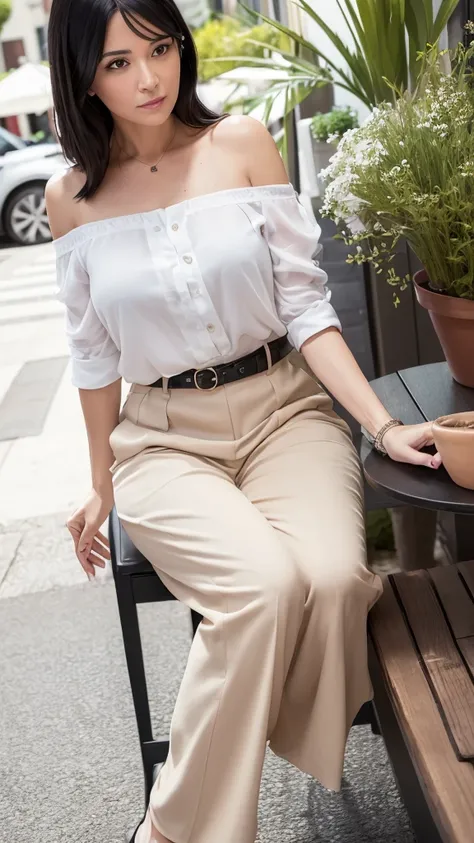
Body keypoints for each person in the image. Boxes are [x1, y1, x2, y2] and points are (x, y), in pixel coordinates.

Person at [45, 1, 442, 841]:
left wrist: (379, 424)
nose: (148, 78)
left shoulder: (243, 144)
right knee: (263, 587)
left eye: (158, 49)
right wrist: (99, 483)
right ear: (82, 74)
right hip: (160, 437)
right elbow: (92, 360)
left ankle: (242, 731)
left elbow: (306, 308)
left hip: (283, 411)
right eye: (117, 63)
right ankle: (174, 831)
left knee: (334, 579)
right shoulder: (69, 200)